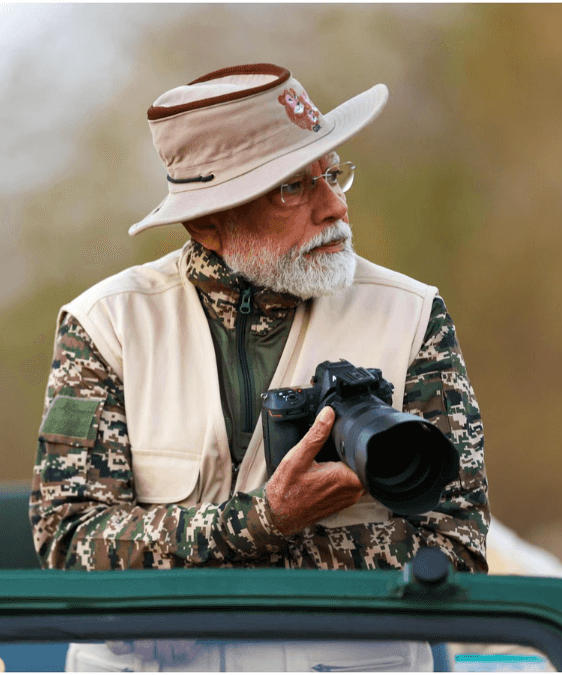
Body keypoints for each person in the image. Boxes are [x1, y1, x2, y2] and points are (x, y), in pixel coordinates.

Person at [29, 63, 488, 670]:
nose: (335, 208)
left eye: (332, 173)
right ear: (207, 223)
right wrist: (264, 521)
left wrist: (186, 596)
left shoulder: (411, 312)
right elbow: (68, 541)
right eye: (292, 188)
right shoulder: (106, 324)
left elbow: (457, 545)